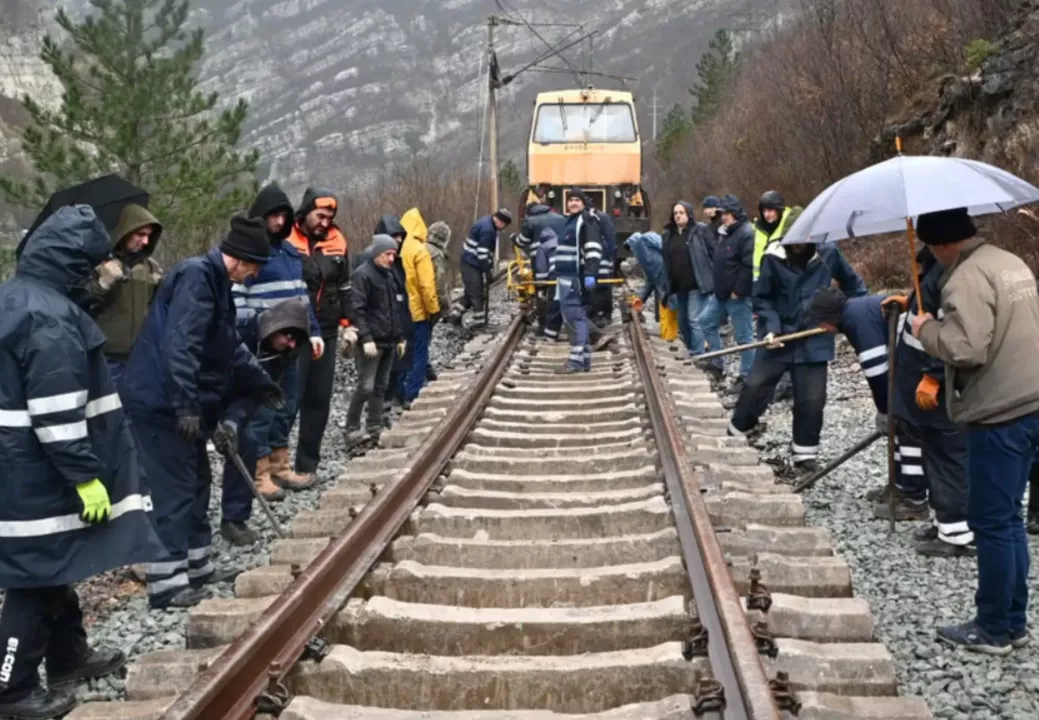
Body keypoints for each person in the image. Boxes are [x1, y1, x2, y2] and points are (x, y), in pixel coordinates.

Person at [0, 206, 163, 718]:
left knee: (57, 560)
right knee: (36, 577)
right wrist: (87, 477)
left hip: (20, 463)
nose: (101, 273)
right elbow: (56, 413)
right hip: (35, 468)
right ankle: (12, 687)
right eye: (94, 265)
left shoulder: (19, 297)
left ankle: (69, 656)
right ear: (73, 264)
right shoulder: (48, 318)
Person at [120, 216, 283, 609]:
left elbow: (227, 346)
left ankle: (196, 566)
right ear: (241, 259)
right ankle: (166, 585)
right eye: (256, 265)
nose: (257, 273)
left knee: (196, 482)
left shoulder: (215, 282)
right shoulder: (197, 277)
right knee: (174, 489)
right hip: (161, 404)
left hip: (175, 402)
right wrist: (186, 405)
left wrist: (261, 381)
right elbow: (182, 345)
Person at [910, 207, 1039, 655]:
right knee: (1009, 520)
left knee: (990, 522)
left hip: (999, 412)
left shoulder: (964, 278)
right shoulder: (1011, 263)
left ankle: (993, 629)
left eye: (929, 247)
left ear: (943, 244)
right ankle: (1013, 622)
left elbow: (967, 348)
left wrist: (927, 330)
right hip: (1032, 402)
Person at [728, 216, 867, 472]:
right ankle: (737, 430)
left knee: (812, 399)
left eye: (807, 238)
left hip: (814, 338)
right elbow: (763, 299)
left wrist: (843, 316)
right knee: (756, 386)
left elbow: (855, 288)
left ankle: (804, 454)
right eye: (796, 238)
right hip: (778, 337)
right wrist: (770, 329)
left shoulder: (829, 253)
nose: (801, 243)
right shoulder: (773, 256)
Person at [874, 246, 973, 556]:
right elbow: (925, 316)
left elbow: (948, 333)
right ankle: (946, 521)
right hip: (920, 384)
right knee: (936, 454)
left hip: (937, 388)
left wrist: (933, 377)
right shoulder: (932, 275)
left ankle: (958, 532)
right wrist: (908, 302)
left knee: (948, 456)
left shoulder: (943, 277)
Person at [231, 183, 323, 502]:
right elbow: (239, 296)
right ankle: (260, 474)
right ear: (261, 216)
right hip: (263, 346)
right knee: (262, 411)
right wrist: (250, 333)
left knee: (287, 406)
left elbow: (302, 298)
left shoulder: (290, 253)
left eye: (284, 215)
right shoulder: (253, 253)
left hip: (292, 344)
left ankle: (281, 466)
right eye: (273, 215)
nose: (279, 222)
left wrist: (313, 331)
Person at [218, 298, 309, 546]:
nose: (291, 344)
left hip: (240, 396)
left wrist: (234, 419)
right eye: (288, 336)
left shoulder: (286, 353)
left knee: (244, 443)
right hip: (208, 387)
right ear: (275, 326)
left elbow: (258, 392)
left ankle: (234, 519)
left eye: (295, 341)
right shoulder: (240, 325)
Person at [286, 188, 353, 483]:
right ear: (306, 212)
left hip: (326, 330)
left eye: (330, 217)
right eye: (320, 216)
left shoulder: (338, 241)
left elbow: (346, 286)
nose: (325, 222)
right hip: (293, 332)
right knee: (289, 398)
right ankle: (274, 465)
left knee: (319, 400)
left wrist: (349, 323)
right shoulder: (287, 237)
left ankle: (306, 464)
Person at [87, 203, 164, 384]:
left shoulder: (152, 268)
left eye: (149, 236)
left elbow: (159, 311)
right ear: (125, 231)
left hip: (141, 359)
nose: (145, 241)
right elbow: (79, 305)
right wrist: (103, 283)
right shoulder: (98, 263)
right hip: (105, 358)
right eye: (140, 234)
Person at [344, 235, 406, 445]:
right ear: (377, 253)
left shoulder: (388, 276)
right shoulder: (363, 276)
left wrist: (399, 336)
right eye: (387, 254)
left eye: (393, 255)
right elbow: (358, 310)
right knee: (366, 386)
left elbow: (394, 308)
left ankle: (374, 425)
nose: (391, 259)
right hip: (373, 342)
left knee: (381, 385)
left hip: (388, 340)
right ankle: (352, 426)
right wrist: (366, 338)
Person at [697, 195, 757, 387]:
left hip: (737, 296)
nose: (723, 217)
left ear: (736, 214)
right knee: (706, 321)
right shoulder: (724, 232)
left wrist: (738, 291)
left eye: (727, 214)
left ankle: (747, 377)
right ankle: (717, 362)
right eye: (722, 213)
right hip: (720, 293)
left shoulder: (746, 233)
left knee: (744, 338)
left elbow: (748, 266)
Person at [556, 190, 603, 372]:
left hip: (575, 278)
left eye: (577, 200)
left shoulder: (586, 221)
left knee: (576, 318)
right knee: (574, 317)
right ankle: (583, 360)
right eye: (571, 200)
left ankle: (576, 361)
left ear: (583, 203)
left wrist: (590, 273)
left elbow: (593, 249)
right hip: (566, 277)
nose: (573, 203)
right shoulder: (570, 221)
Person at [660, 201, 714, 357]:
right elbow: (666, 261)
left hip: (697, 284)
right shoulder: (668, 235)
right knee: (683, 323)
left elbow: (713, 253)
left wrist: (711, 276)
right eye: (675, 213)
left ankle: (699, 353)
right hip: (679, 286)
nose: (677, 215)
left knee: (694, 320)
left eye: (681, 212)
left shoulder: (699, 231)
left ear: (689, 214)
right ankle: (693, 349)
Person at [399, 208, 440, 405]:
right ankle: (412, 393)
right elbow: (426, 285)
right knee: (419, 352)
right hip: (417, 312)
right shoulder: (419, 250)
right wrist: (433, 309)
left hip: (399, 311)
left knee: (402, 353)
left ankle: (398, 392)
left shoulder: (397, 246)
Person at [373, 215, 413, 411]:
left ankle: (391, 398)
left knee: (399, 362)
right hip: (381, 323)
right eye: (394, 236)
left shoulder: (398, 262)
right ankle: (381, 405)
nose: (398, 240)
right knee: (384, 369)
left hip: (398, 320)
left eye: (400, 236)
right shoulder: (372, 263)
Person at [448, 208, 513, 325]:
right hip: (471, 263)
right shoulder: (488, 230)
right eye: (504, 225)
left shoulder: (487, 223)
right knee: (477, 294)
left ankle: (454, 316)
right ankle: (479, 322)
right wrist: (487, 271)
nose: (503, 228)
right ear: (501, 221)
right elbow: (482, 254)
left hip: (470, 262)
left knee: (470, 293)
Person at [625, 231, 679, 341]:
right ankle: (669, 339)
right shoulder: (645, 261)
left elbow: (665, 248)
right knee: (668, 312)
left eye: (632, 249)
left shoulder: (646, 238)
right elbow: (650, 281)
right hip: (664, 288)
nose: (633, 253)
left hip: (673, 280)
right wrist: (639, 299)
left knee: (683, 313)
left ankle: (701, 343)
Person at [426, 221, 453, 380]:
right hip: (429, 305)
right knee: (423, 340)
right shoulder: (437, 255)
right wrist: (446, 310)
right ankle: (424, 370)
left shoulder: (420, 248)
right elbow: (440, 285)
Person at [752, 190, 792, 281]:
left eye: (770, 210)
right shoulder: (757, 229)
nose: (766, 214)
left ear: (778, 210)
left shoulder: (789, 225)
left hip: (783, 281)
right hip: (760, 281)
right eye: (764, 211)